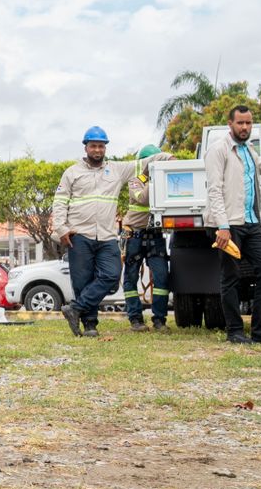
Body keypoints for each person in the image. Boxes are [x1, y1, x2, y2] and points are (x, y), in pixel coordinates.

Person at [52, 128, 164, 337]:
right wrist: (61, 229)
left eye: (101, 146)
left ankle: (75, 308)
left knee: (112, 275)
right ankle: (90, 325)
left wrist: (167, 157)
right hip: (79, 234)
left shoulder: (116, 170)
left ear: (105, 148)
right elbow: (59, 202)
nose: (97, 150)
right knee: (82, 281)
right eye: (93, 146)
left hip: (107, 235)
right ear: (85, 147)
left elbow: (144, 163)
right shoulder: (72, 172)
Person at [205, 106, 261, 345]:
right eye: (240, 123)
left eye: (248, 123)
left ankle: (260, 333)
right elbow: (214, 190)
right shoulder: (219, 149)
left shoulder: (249, 149)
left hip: (251, 222)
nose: (245, 127)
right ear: (230, 124)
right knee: (231, 276)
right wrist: (223, 226)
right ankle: (235, 332)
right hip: (228, 224)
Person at [122, 144, 176, 332]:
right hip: (134, 236)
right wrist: (154, 178)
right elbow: (143, 198)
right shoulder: (135, 181)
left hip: (155, 236)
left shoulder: (165, 180)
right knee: (130, 278)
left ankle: (159, 320)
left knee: (162, 278)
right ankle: (135, 319)